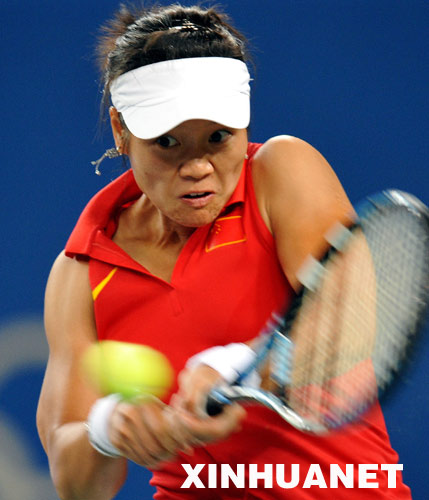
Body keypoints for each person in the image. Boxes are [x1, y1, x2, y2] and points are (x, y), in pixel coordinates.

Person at [36, 3, 411, 500]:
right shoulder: (79, 272)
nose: (197, 166)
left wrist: (240, 364)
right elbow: (76, 483)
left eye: (218, 137)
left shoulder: (281, 171)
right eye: (167, 141)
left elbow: (350, 326)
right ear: (121, 131)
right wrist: (109, 427)